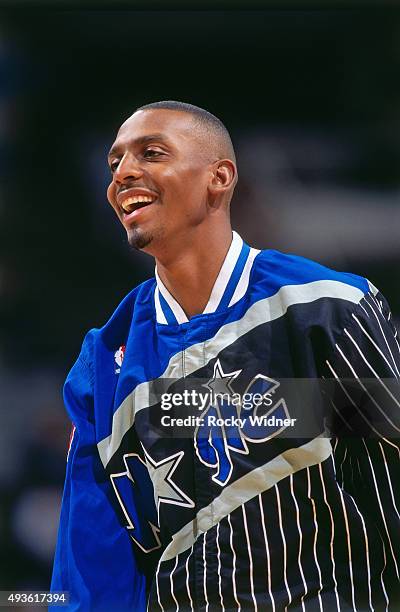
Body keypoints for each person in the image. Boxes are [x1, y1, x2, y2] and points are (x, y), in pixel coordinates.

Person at [51, 101, 400, 611]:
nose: (124, 173)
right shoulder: (102, 365)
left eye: (151, 153)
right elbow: (90, 566)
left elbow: (389, 483)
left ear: (219, 177)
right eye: (114, 163)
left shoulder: (325, 309)